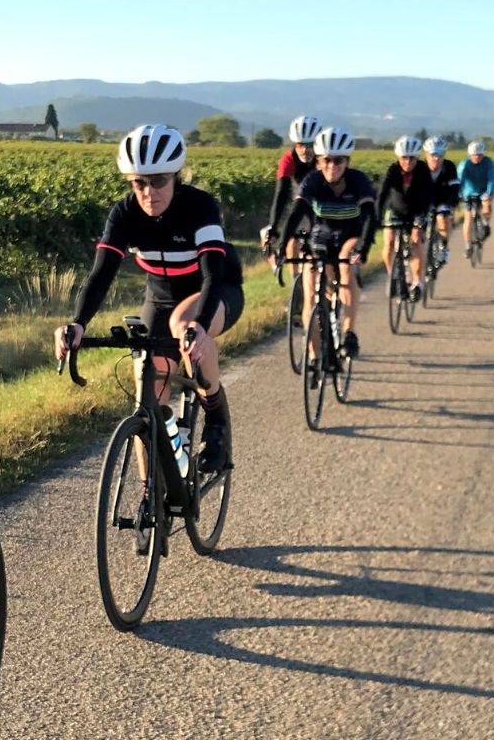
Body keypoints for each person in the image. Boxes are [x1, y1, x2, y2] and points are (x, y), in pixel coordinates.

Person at [54, 123, 244, 472]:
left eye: (158, 181)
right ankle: (150, 496)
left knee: (184, 327)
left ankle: (216, 420)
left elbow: (212, 274)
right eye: (139, 183)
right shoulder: (124, 213)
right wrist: (78, 323)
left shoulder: (200, 207)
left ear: (175, 177)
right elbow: (102, 273)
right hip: (159, 299)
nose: (148, 192)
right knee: (149, 391)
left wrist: (200, 327)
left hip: (216, 292)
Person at [277, 126, 375, 363]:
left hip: (350, 236)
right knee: (311, 298)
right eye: (326, 160)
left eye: (338, 161)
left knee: (346, 266)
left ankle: (349, 333)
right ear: (319, 161)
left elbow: (371, 216)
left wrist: (364, 246)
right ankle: (314, 355)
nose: (332, 166)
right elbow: (296, 212)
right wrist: (282, 246)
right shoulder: (312, 181)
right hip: (320, 238)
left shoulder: (358, 181)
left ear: (347, 161)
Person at [260, 114, 321, 271]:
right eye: (300, 144)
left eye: (310, 145)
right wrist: (274, 226)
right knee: (290, 235)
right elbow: (281, 193)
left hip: (321, 201)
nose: (305, 150)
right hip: (299, 200)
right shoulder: (288, 159)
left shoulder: (324, 159)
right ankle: (296, 281)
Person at [377, 135, 434, 302]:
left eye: (412, 158)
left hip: (416, 210)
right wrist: (376, 216)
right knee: (388, 242)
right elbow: (382, 194)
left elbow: (426, 198)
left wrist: (419, 224)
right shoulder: (392, 170)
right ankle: (393, 275)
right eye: (404, 158)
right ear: (398, 157)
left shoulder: (423, 171)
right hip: (395, 209)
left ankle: (417, 282)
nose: (408, 162)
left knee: (417, 243)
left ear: (417, 158)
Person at [457, 140, 494, 256]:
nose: (477, 157)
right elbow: (459, 179)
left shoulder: (488, 163)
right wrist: (459, 193)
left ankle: (485, 223)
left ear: (483, 155)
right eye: (474, 155)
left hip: (483, 191)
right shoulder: (464, 164)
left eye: (479, 155)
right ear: (469, 155)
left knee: (486, 205)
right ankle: (467, 245)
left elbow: (493, 178)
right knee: (468, 218)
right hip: (468, 192)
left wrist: (489, 193)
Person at [422, 136, 461, 264]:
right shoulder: (420, 168)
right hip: (425, 200)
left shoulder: (449, 166)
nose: (436, 158)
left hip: (443, 199)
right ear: (426, 154)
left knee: (443, 219)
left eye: (440, 154)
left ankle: (444, 247)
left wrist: (453, 203)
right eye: (433, 154)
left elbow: (455, 187)